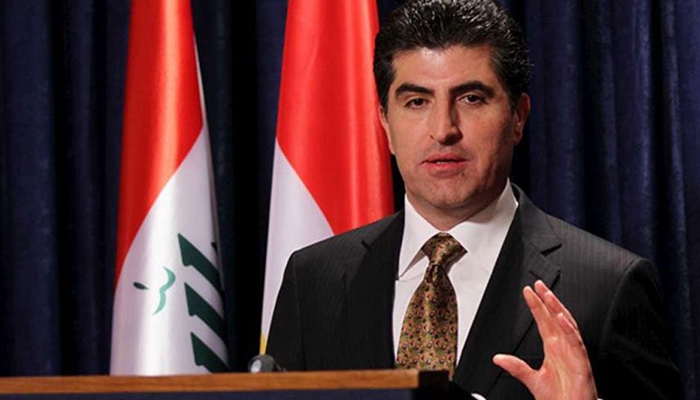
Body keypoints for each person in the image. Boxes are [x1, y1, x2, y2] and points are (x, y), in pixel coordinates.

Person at [266, 0, 683, 399]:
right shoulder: (313, 280)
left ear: (518, 117)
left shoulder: (608, 286)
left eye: (471, 99)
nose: (443, 129)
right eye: (417, 102)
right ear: (385, 123)